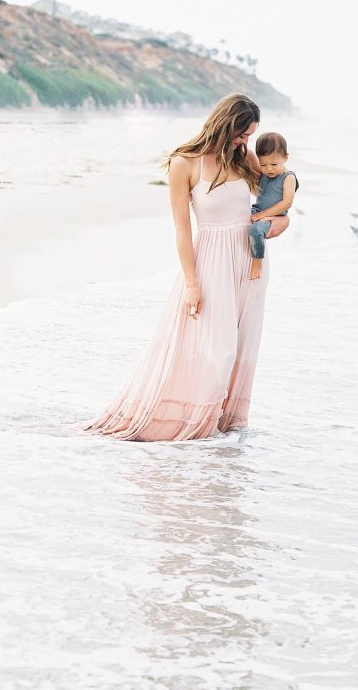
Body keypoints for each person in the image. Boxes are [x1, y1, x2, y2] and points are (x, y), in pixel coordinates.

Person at [82, 93, 290, 442]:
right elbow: (182, 229)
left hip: (250, 263)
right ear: (225, 125)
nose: (245, 142)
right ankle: (194, 423)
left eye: (250, 136)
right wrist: (192, 283)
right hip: (210, 261)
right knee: (218, 348)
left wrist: (277, 226)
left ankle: (224, 429)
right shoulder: (185, 163)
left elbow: (279, 202)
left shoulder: (245, 160)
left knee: (242, 347)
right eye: (241, 134)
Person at [247, 131, 300, 281]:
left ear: (286, 157)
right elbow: (255, 189)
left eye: (274, 164)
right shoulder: (264, 173)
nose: (269, 169)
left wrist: (263, 215)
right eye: (263, 164)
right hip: (258, 211)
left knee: (256, 230)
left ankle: (257, 263)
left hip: (275, 216)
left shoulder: (288, 177)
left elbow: (286, 203)